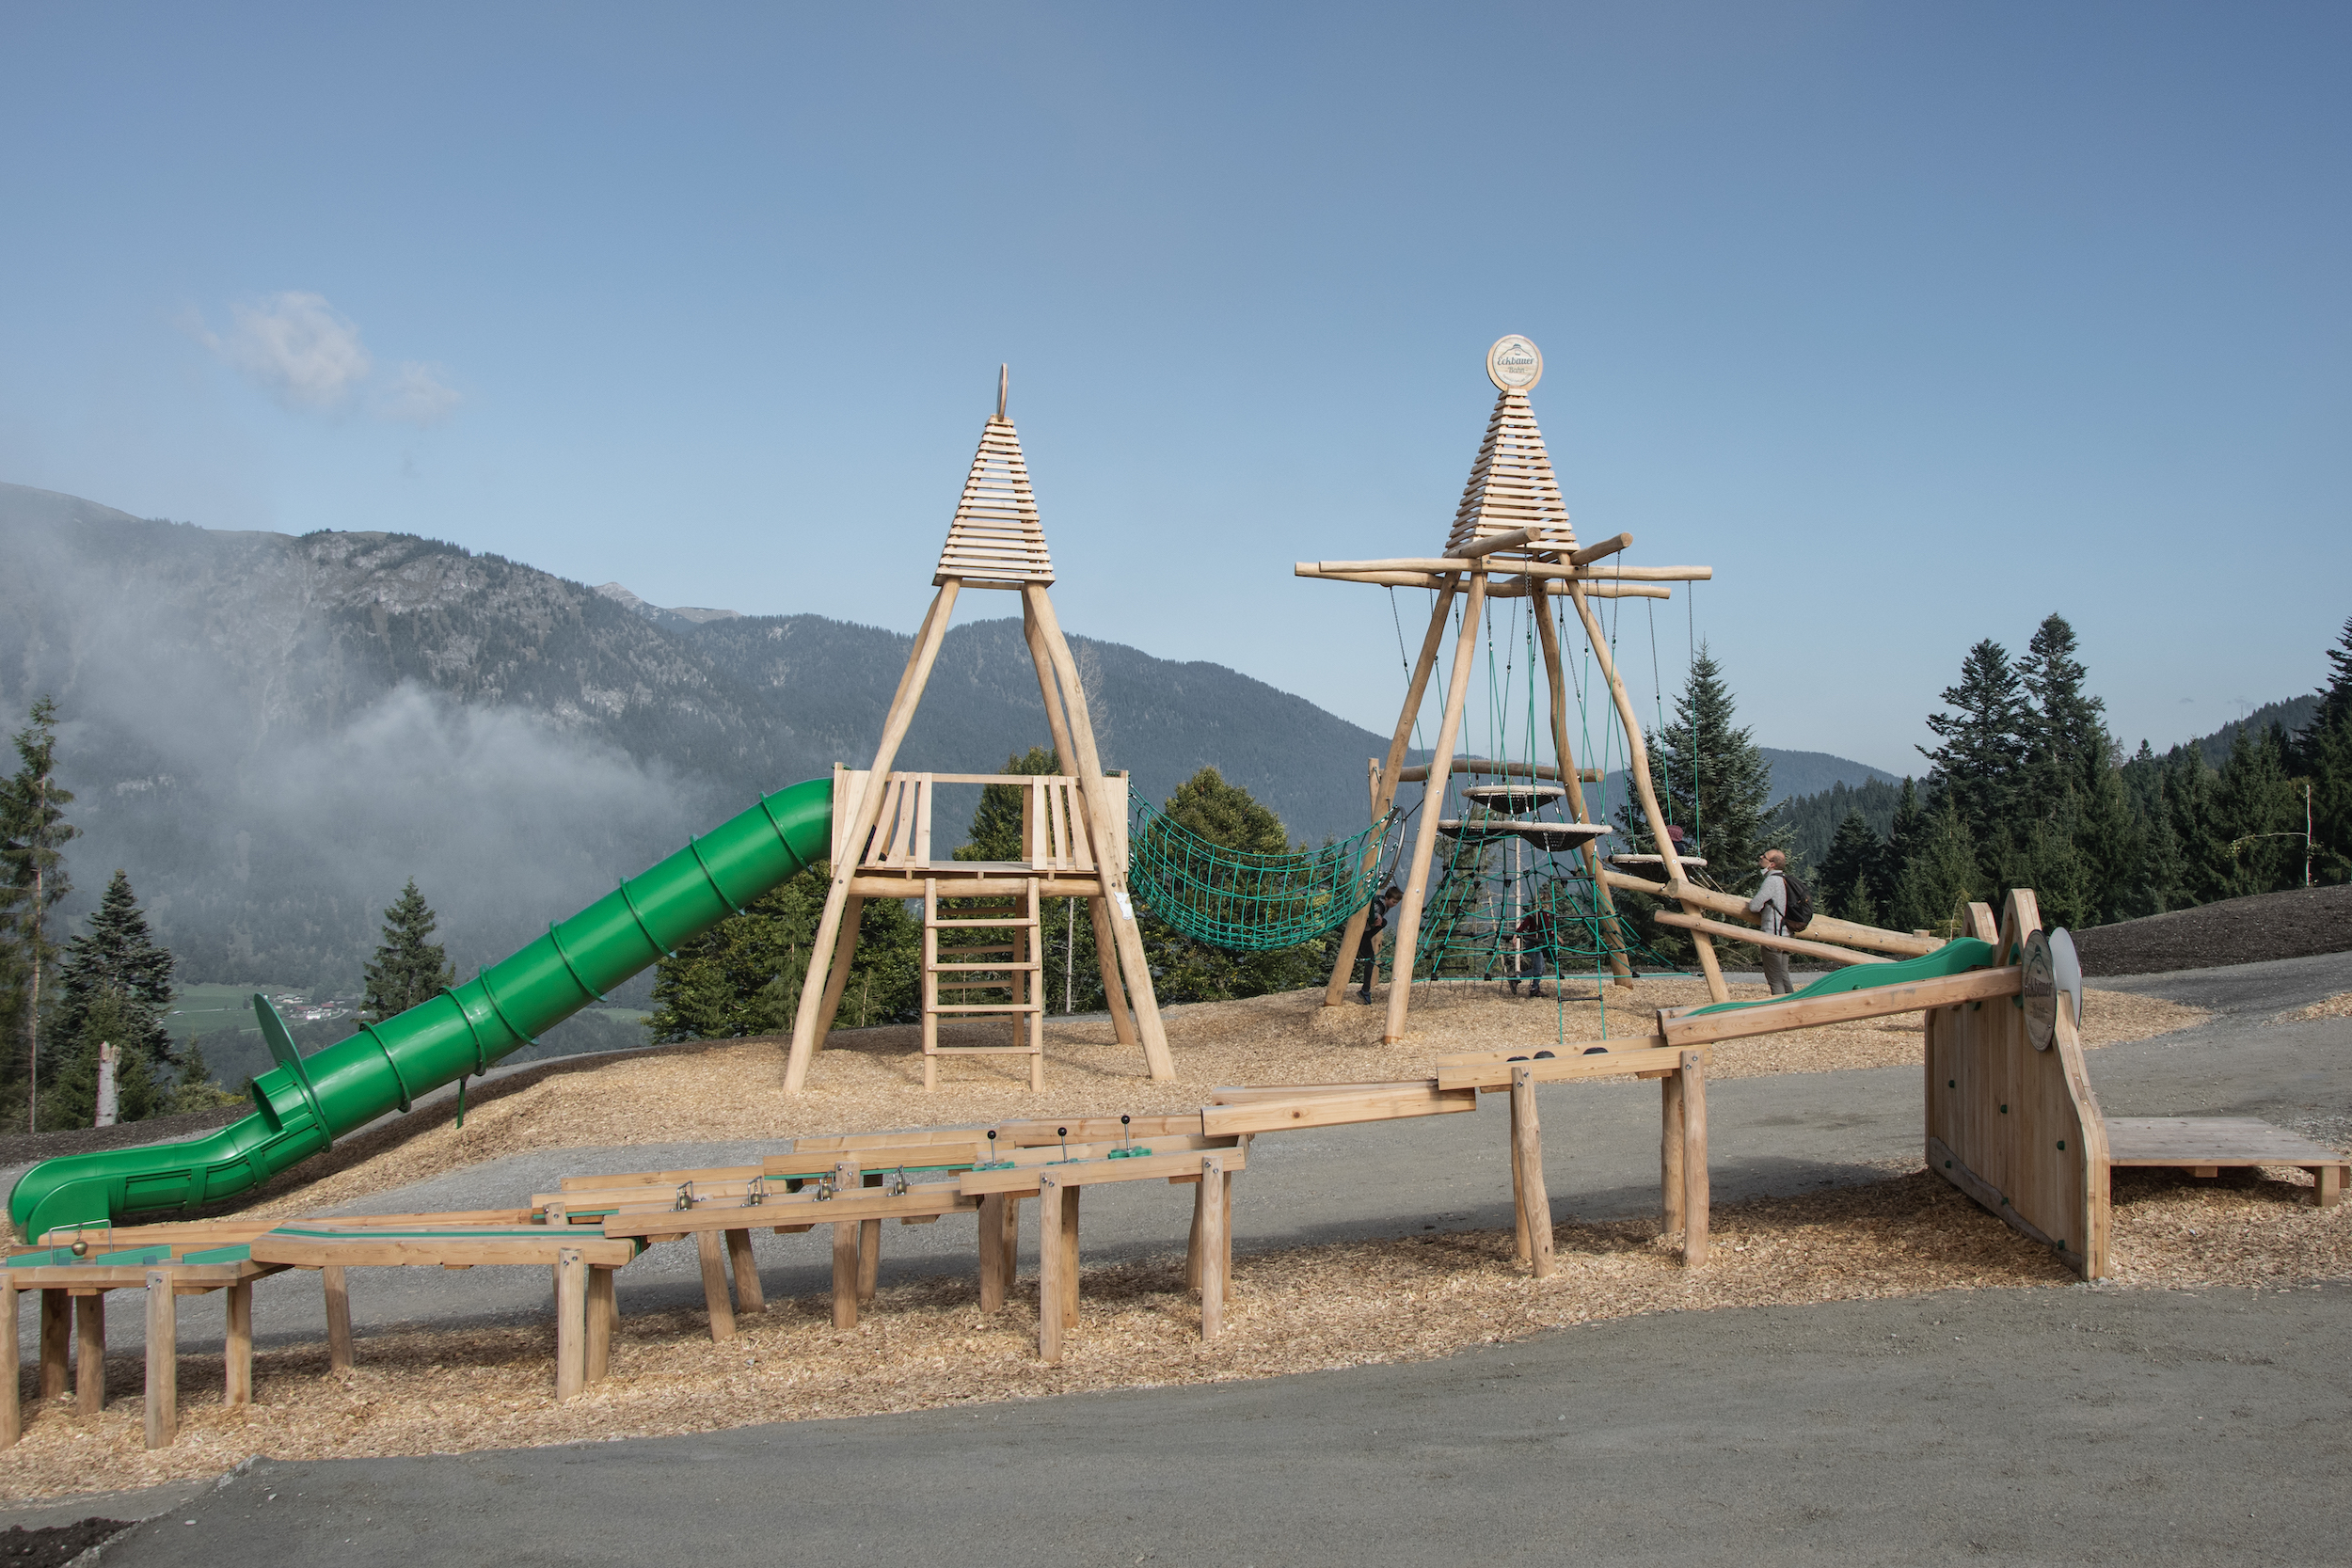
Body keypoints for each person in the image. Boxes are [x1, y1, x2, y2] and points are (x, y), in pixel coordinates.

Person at [1748, 848, 1794, 995]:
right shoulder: (1786, 879)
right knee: (1784, 975)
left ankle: (1781, 1011)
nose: (1761, 857)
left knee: (1775, 979)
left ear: (1772, 864)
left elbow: (1754, 906)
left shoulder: (1772, 881)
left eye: (1765, 856)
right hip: (1787, 935)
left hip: (1772, 935)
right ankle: (1794, 1006)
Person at [1357, 886, 1404, 1003]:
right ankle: (1365, 990)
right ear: (1387, 898)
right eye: (1393, 902)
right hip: (1360, 934)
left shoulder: (1384, 903)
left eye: (1396, 903)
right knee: (1370, 959)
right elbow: (1367, 913)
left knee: (1384, 922)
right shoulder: (1379, 904)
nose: (1394, 905)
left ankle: (1365, 990)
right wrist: (1377, 916)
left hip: (1365, 933)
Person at [1506, 905, 1558, 999]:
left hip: (1534, 942)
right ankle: (1516, 979)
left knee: (1541, 968)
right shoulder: (1542, 914)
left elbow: (1524, 925)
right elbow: (1546, 930)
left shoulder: (1533, 914)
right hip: (1534, 943)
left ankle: (1535, 989)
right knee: (1538, 969)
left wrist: (1516, 933)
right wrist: (1556, 936)